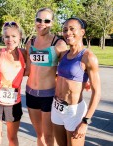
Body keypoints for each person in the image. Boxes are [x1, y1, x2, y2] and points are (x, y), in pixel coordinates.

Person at [51, 17, 101, 146]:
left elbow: (97, 92)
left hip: (73, 112)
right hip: (56, 108)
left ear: (82, 32)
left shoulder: (88, 58)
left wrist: (85, 121)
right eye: (65, 29)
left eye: (72, 29)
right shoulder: (63, 55)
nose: (68, 33)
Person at [25, 8, 68, 146]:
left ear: (52, 23)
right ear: (35, 21)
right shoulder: (29, 43)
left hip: (48, 96)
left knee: (49, 137)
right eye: (39, 20)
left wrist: (85, 79)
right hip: (30, 93)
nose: (42, 23)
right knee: (40, 135)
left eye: (47, 21)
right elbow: (27, 70)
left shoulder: (59, 44)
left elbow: (68, 68)